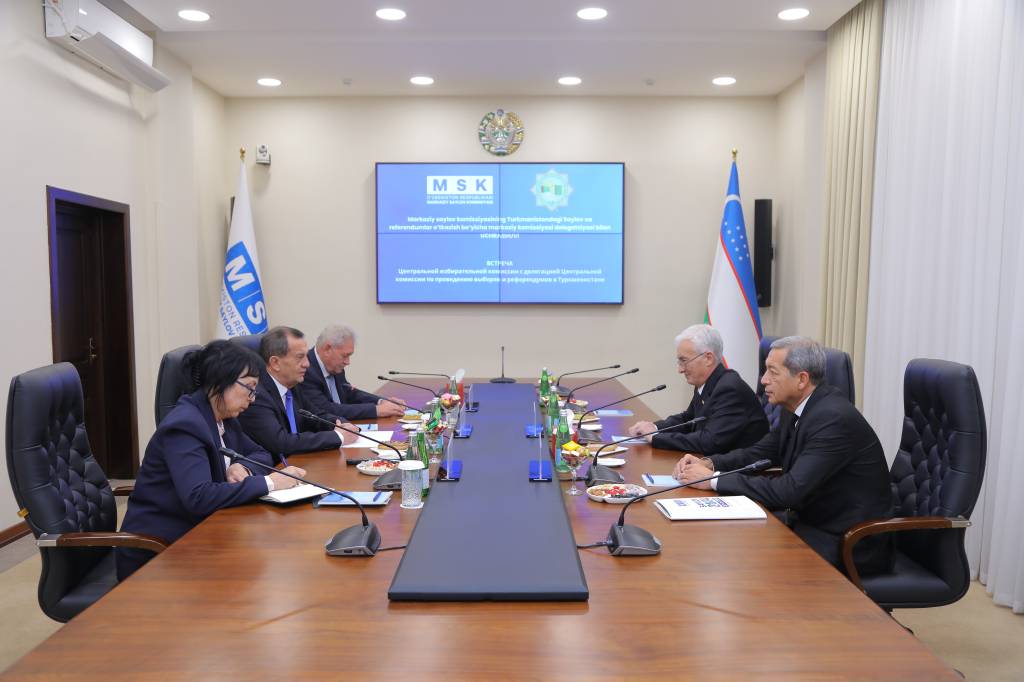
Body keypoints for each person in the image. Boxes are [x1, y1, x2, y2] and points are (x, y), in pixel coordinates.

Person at [672, 336, 892, 574]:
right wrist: (709, 462)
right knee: (726, 543)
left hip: (849, 541)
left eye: (772, 372)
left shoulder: (833, 420)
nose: (763, 380)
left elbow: (789, 490)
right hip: (810, 522)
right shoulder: (796, 407)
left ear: (801, 379)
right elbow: (760, 451)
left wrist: (713, 480)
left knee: (745, 563)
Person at [116, 340, 306, 580]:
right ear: (221, 381)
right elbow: (199, 497)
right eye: (249, 388)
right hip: (158, 553)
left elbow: (261, 453)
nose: (253, 398)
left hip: (200, 533)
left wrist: (243, 466)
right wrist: (270, 483)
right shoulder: (185, 425)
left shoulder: (222, 416)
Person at [627, 324, 768, 454]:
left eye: (684, 361)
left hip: (743, 468)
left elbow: (709, 442)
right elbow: (688, 419)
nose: (680, 370)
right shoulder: (708, 381)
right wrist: (654, 428)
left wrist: (656, 438)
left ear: (708, 358)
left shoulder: (729, 389)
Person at [238, 326, 359, 457]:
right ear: (275, 363)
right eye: (300, 357)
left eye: (306, 356)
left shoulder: (292, 386)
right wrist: (338, 436)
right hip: (276, 467)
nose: (307, 364)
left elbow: (316, 415)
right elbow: (281, 443)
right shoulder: (256, 395)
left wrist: (340, 424)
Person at [302, 324, 406, 420]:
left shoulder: (334, 366)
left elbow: (350, 393)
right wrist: (376, 410)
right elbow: (326, 409)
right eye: (345, 356)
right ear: (327, 349)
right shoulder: (305, 370)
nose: (348, 362)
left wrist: (382, 401)